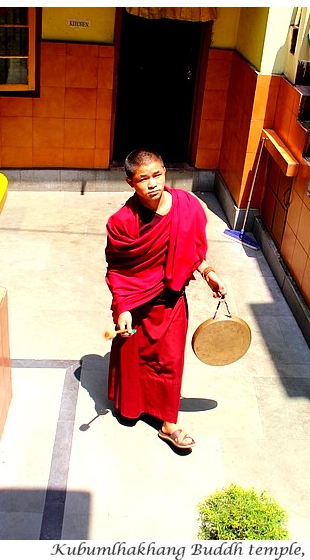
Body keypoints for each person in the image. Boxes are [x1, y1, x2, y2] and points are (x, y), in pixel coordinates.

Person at [104, 148, 226, 450]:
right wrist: (123, 307)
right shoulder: (121, 222)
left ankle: (168, 424)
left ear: (165, 172)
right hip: (136, 305)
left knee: (169, 363)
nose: (153, 183)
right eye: (143, 178)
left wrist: (209, 273)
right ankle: (132, 406)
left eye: (157, 174)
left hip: (171, 303)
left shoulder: (187, 206)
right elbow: (118, 269)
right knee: (133, 358)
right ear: (129, 182)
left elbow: (193, 250)